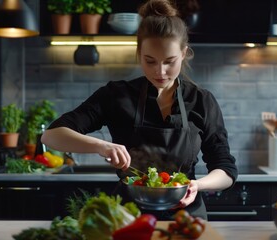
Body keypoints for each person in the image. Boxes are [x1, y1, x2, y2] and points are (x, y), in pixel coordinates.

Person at [41, 0, 238, 220]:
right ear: (139, 52)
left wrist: (196, 185)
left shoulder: (201, 100)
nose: (160, 71)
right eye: (150, 61)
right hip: (127, 216)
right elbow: (51, 135)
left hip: (186, 217)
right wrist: (102, 146)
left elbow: (226, 169)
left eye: (169, 61)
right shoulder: (116, 95)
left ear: (183, 53)